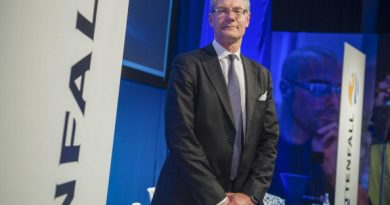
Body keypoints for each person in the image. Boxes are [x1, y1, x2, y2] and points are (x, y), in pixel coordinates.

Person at [151, 0, 279, 204]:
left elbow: (269, 141)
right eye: (222, 10)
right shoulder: (188, 65)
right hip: (186, 195)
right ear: (210, 19)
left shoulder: (262, 76)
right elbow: (180, 136)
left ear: (248, 19)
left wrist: (250, 195)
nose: (231, 16)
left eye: (238, 10)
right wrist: (218, 198)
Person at [268, 47, 341, 204]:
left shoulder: (333, 146)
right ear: (286, 90)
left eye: (338, 90)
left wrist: (332, 170)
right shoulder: (255, 141)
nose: (334, 102)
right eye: (319, 89)